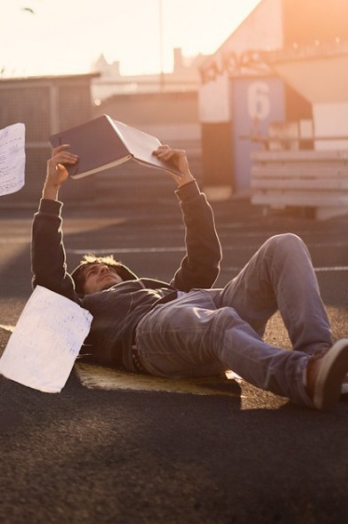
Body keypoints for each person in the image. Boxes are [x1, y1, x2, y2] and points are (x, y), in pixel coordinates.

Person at [31, 142, 348, 411]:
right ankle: (302, 378)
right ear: (80, 289)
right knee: (220, 320)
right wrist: (51, 190)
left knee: (283, 245)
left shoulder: (160, 290)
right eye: (89, 273)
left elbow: (204, 259)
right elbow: (49, 274)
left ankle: (319, 358)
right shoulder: (83, 311)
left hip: (191, 306)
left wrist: (185, 181)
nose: (101, 269)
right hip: (149, 336)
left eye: (107, 267)